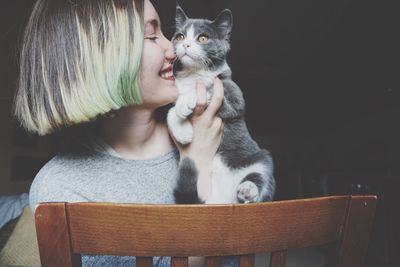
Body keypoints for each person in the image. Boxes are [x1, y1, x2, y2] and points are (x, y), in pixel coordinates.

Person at [14, 0, 224, 266]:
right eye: (150, 35)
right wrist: (197, 165)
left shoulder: (212, 132)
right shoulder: (60, 188)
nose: (172, 48)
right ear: (101, 58)